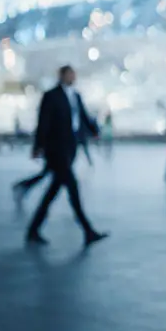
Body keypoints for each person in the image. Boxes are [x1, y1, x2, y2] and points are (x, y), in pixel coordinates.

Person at [25, 65, 108, 247]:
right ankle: (87, 230)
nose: (73, 77)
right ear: (62, 76)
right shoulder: (51, 96)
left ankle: (33, 230)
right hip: (55, 150)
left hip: (70, 148)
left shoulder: (75, 96)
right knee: (72, 187)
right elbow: (43, 122)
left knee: (52, 191)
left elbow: (83, 117)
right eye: (70, 74)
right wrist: (38, 146)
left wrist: (95, 130)